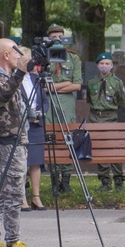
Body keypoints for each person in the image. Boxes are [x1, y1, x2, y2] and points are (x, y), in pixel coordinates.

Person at [0, 38, 37, 247]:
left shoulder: (5, 76)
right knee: (13, 194)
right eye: (16, 53)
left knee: (4, 195)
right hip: (6, 143)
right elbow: (1, 94)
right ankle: (12, 242)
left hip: (13, 140)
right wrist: (20, 73)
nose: (19, 56)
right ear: (6, 55)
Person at [44, 24, 82, 193]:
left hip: (66, 103)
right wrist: (64, 84)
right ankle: (54, 179)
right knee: (51, 138)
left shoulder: (73, 58)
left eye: (60, 37)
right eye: (53, 37)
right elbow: (41, 85)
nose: (57, 40)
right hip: (48, 102)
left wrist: (54, 87)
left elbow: (77, 85)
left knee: (67, 138)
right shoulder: (43, 57)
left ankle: (66, 180)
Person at [87, 52, 125, 191]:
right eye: (101, 63)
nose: (104, 66)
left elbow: (123, 102)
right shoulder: (91, 82)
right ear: (97, 65)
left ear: (112, 66)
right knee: (99, 149)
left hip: (111, 117)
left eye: (107, 64)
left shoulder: (117, 82)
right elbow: (89, 100)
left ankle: (118, 180)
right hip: (95, 117)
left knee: (114, 148)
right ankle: (105, 181)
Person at [19, 61, 47, 211]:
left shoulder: (36, 78)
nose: (30, 64)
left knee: (35, 162)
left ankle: (36, 197)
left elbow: (44, 101)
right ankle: (21, 197)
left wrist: (40, 114)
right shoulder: (14, 79)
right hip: (22, 125)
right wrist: (27, 116)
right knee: (22, 162)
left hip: (36, 125)